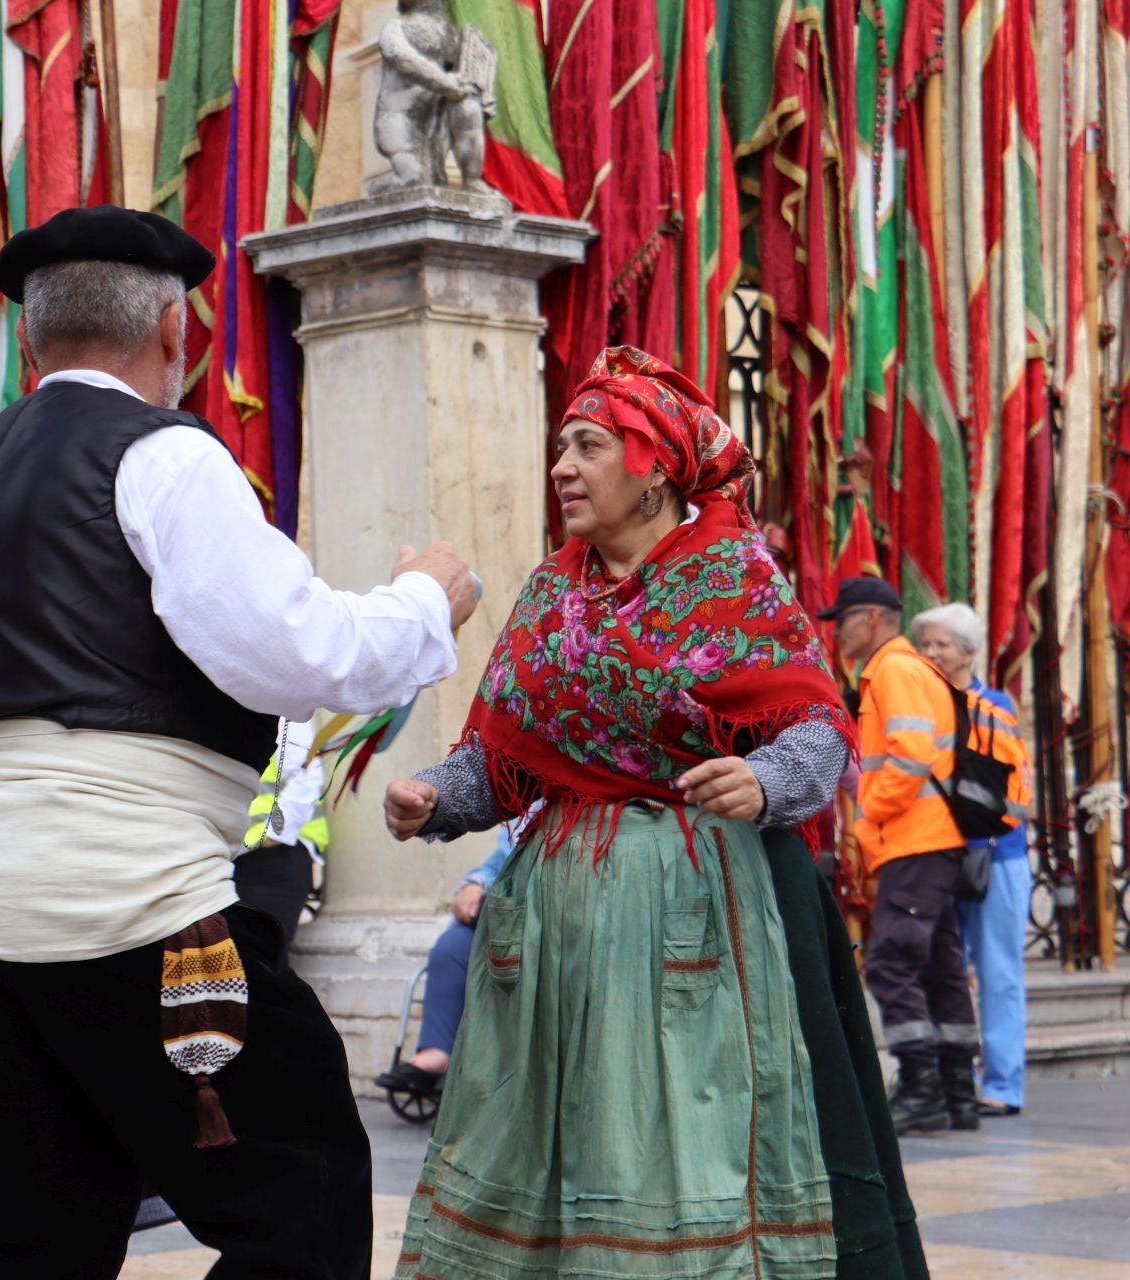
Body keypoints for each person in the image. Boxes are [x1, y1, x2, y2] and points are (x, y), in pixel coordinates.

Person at [0, 204, 478, 1279]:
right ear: (173, 329)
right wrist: (423, 601)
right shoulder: (163, 454)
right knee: (297, 1193)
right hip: (137, 897)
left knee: (43, 1231)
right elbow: (294, 654)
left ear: (29, 339)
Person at [383, 348, 922, 1278]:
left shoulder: (732, 578)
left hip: (700, 915)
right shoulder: (554, 594)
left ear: (656, 467)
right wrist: (437, 797)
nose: (562, 467)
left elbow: (818, 729)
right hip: (556, 929)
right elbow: (505, 763)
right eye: (560, 448)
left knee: (684, 1134)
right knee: (547, 1144)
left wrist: (764, 782)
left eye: (588, 445)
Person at [825, 576, 980, 1136]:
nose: (836, 631)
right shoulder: (907, 667)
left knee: (890, 962)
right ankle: (959, 1095)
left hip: (914, 839)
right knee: (940, 967)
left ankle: (922, 1089)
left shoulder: (892, 669)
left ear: (870, 618)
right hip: (930, 840)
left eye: (841, 619)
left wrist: (870, 815)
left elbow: (911, 756)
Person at [915, 601, 1033, 1117]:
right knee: (942, 972)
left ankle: (1003, 1084)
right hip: (935, 856)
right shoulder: (918, 703)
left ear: (968, 651)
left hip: (995, 858)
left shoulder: (995, 705)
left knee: (998, 970)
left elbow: (1015, 794)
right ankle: (951, 1077)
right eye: (925, 644)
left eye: (939, 643)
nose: (929, 652)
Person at [371, 818, 521, 1099]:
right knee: (451, 947)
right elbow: (495, 864)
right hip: (504, 915)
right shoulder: (530, 810)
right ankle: (436, 1053)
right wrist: (474, 885)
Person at [234, 718, 331, 963]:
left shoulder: (282, 711)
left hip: (274, 857)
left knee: (260, 962)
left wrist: (273, 835)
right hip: (229, 856)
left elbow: (307, 774)